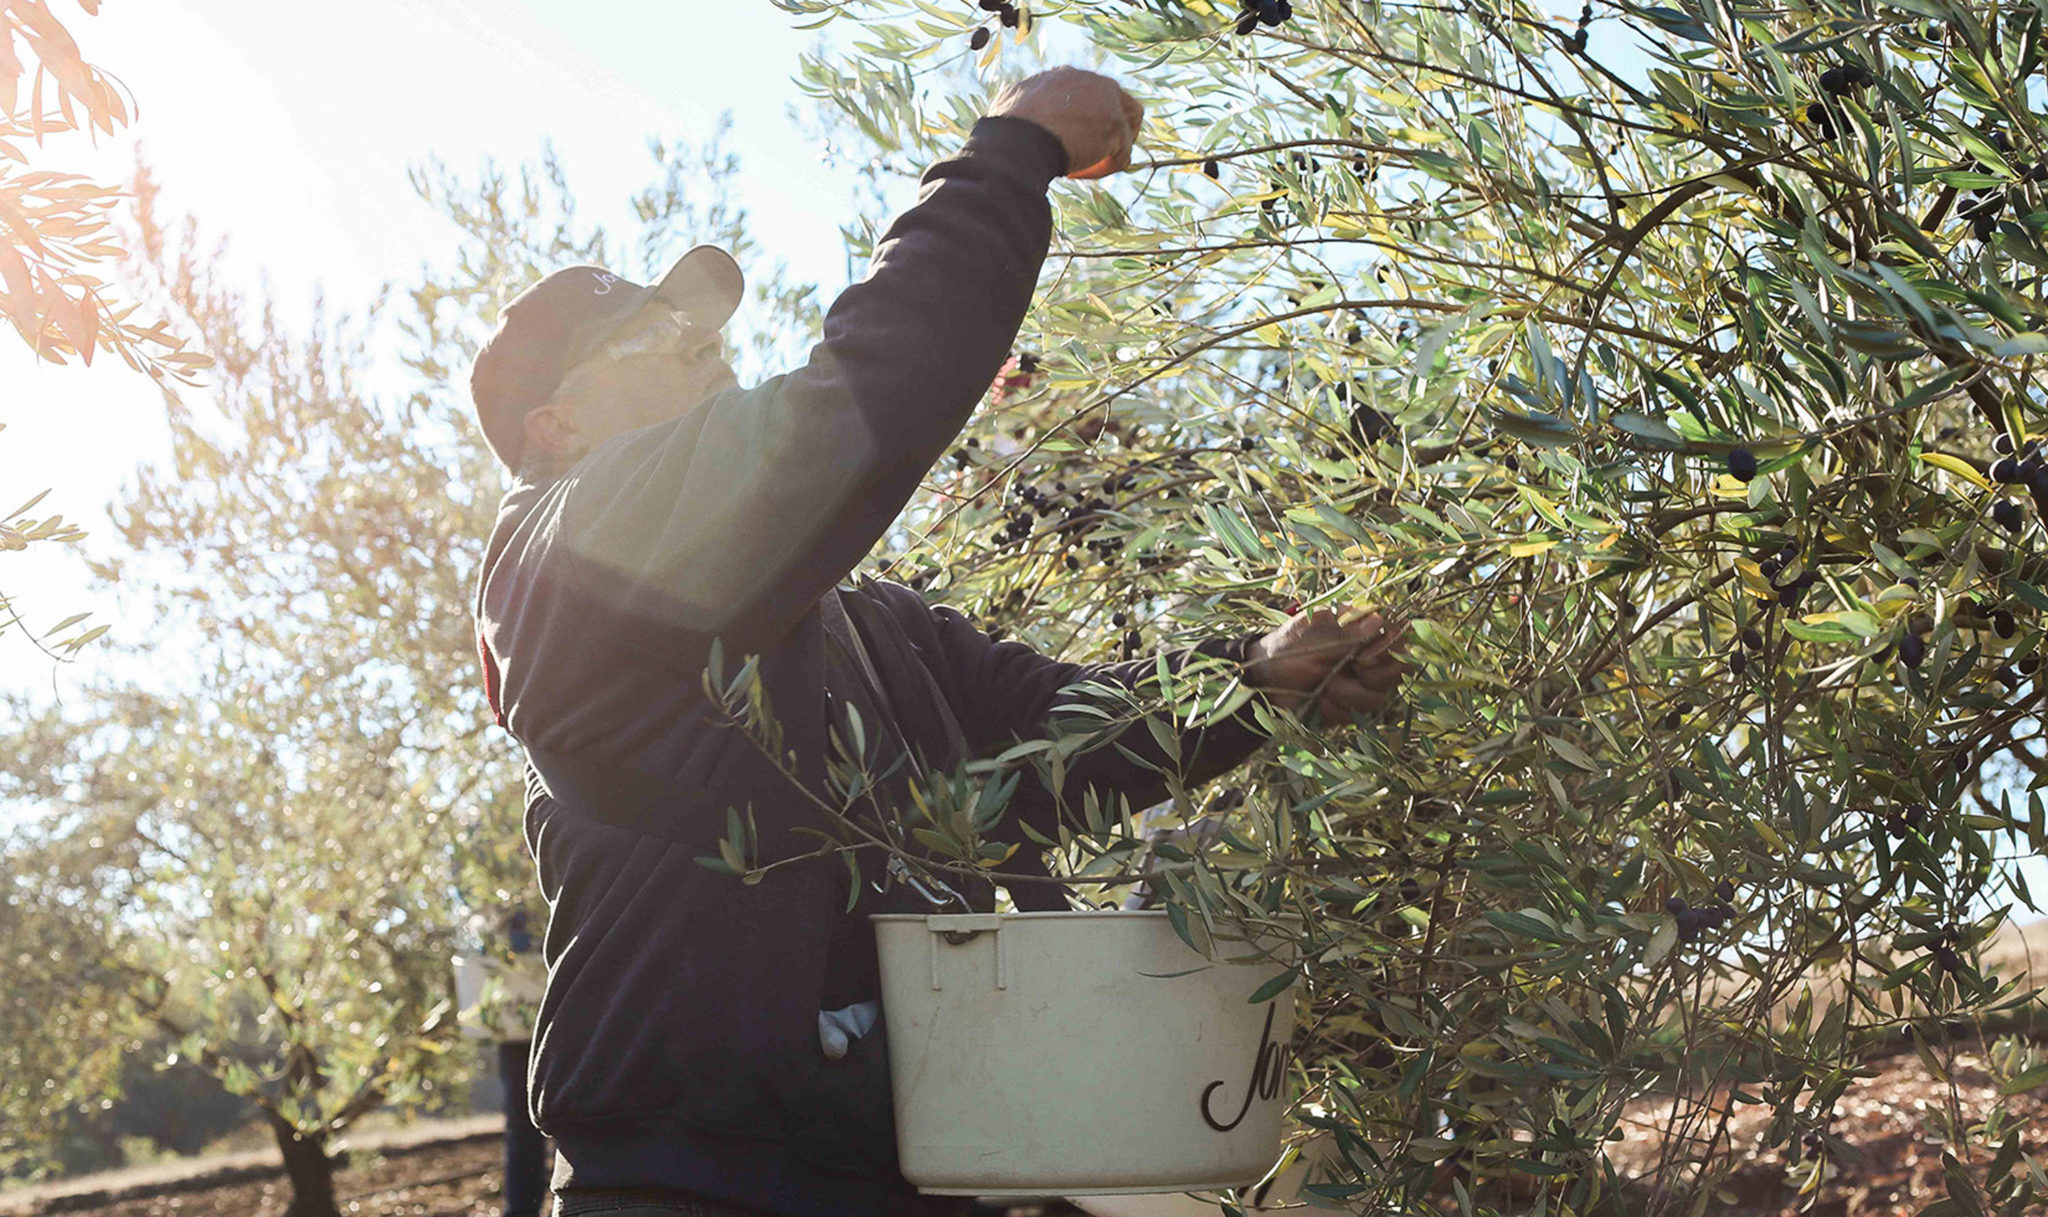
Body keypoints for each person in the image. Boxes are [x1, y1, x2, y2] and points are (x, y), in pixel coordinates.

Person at [467, 67, 1409, 1217]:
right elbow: (859, 399)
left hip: (902, 1171)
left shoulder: (865, 622)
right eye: (651, 337)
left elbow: (1051, 744)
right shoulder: (572, 552)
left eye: (699, 325)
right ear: (554, 427)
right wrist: (1005, 155)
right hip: (690, 1185)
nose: (700, 346)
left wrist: (1254, 677)